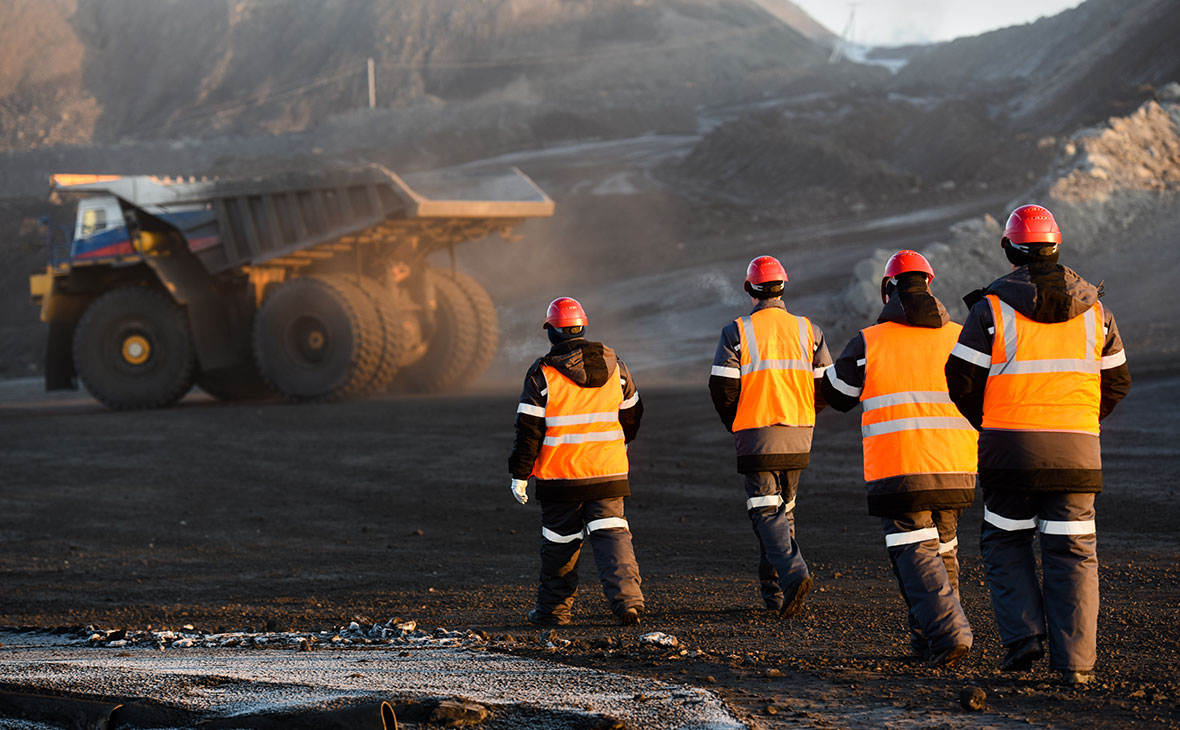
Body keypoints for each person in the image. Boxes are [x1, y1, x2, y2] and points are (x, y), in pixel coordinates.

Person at [945, 204, 1131, 685]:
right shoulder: (1097, 313)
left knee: (1006, 540)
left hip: (1009, 454)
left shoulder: (991, 310)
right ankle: (1075, 666)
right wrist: (1081, 423)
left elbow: (960, 381)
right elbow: (1117, 382)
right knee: (1072, 552)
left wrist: (990, 426)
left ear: (1009, 249)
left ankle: (1024, 638)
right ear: (1057, 245)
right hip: (1077, 454)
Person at [821, 250, 977, 668]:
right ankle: (929, 639)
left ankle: (949, 632)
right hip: (956, 464)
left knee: (912, 549)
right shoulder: (961, 335)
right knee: (943, 548)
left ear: (888, 289)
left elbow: (837, 395)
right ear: (929, 285)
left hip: (901, 467)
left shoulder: (870, 340)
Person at [508, 296, 646, 626]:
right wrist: (618, 446)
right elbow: (633, 414)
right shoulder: (617, 366)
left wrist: (519, 474)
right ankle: (628, 602)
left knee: (559, 545)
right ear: (583, 325)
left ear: (552, 331)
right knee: (613, 535)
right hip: (608, 473)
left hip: (561, 479)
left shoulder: (542, 373)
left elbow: (529, 431)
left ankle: (553, 613)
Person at [709, 255, 832, 618]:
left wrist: (738, 422)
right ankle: (775, 593)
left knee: (765, 510)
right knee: (783, 512)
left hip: (756, 432)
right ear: (783, 287)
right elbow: (825, 385)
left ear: (749, 288)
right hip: (798, 433)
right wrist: (805, 415)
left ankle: (793, 575)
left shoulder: (737, 331)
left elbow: (722, 387)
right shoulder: (810, 330)